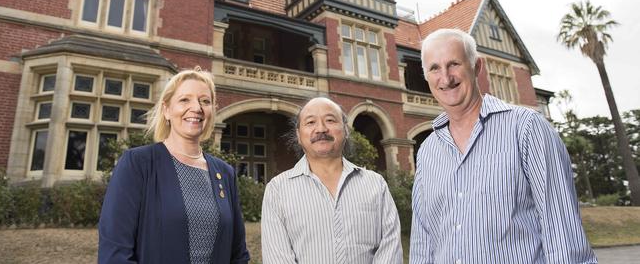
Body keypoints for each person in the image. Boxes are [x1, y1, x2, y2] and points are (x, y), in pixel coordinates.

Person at [410, 28, 597, 263]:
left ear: (476, 67)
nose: (446, 78)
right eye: (434, 68)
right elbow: (423, 242)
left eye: (454, 64)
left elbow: (562, 232)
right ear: (426, 75)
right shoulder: (427, 151)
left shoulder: (527, 128)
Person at [99, 67, 249, 264]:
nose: (196, 107)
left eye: (205, 101)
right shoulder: (138, 164)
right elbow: (114, 253)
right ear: (166, 109)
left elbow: (238, 254)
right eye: (185, 99)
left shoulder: (225, 173)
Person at [261, 97, 403, 263]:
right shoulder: (278, 190)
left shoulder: (375, 184)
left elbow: (390, 249)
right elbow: (277, 258)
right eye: (310, 122)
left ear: (346, 130)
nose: (321, 129)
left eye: (330, 120)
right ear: (299, 135)